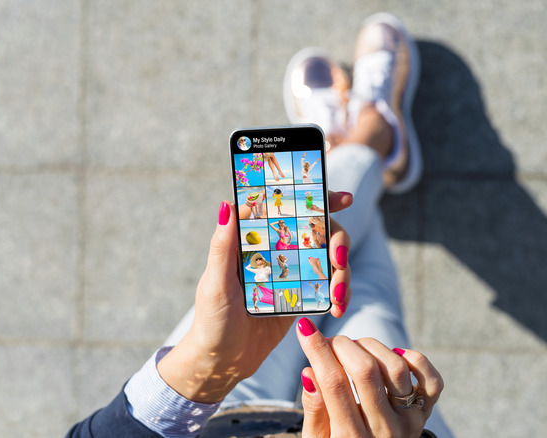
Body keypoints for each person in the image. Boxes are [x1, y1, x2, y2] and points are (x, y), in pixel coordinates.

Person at [68, 12, 452, 438]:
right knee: (372, 321)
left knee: (337, 263)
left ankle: (358, 143)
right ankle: (368, 138)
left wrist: (208, 365)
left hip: (215, 416)